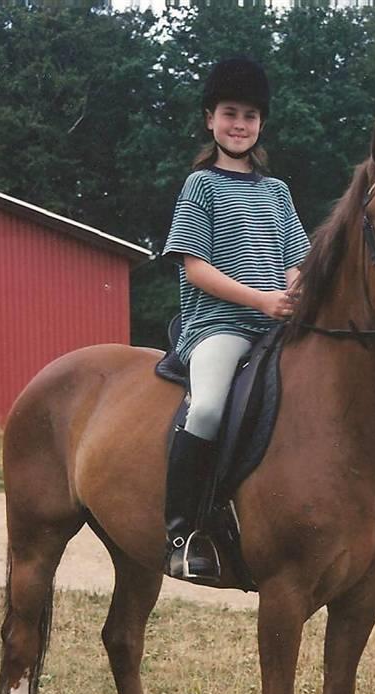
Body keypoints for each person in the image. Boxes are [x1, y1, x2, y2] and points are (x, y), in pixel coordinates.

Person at [162, 56, 310, 584]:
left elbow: (297, 261)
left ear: (261, 124)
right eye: (229, 113)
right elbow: (195, 266)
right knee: (205, 409)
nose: (239, 124)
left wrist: (291, 292)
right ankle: (184, 533)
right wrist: (260, 300)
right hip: (218, 324)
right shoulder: (199, 186)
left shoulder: (276, 190)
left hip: (277, 326)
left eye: (250, 115)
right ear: (210, 119)